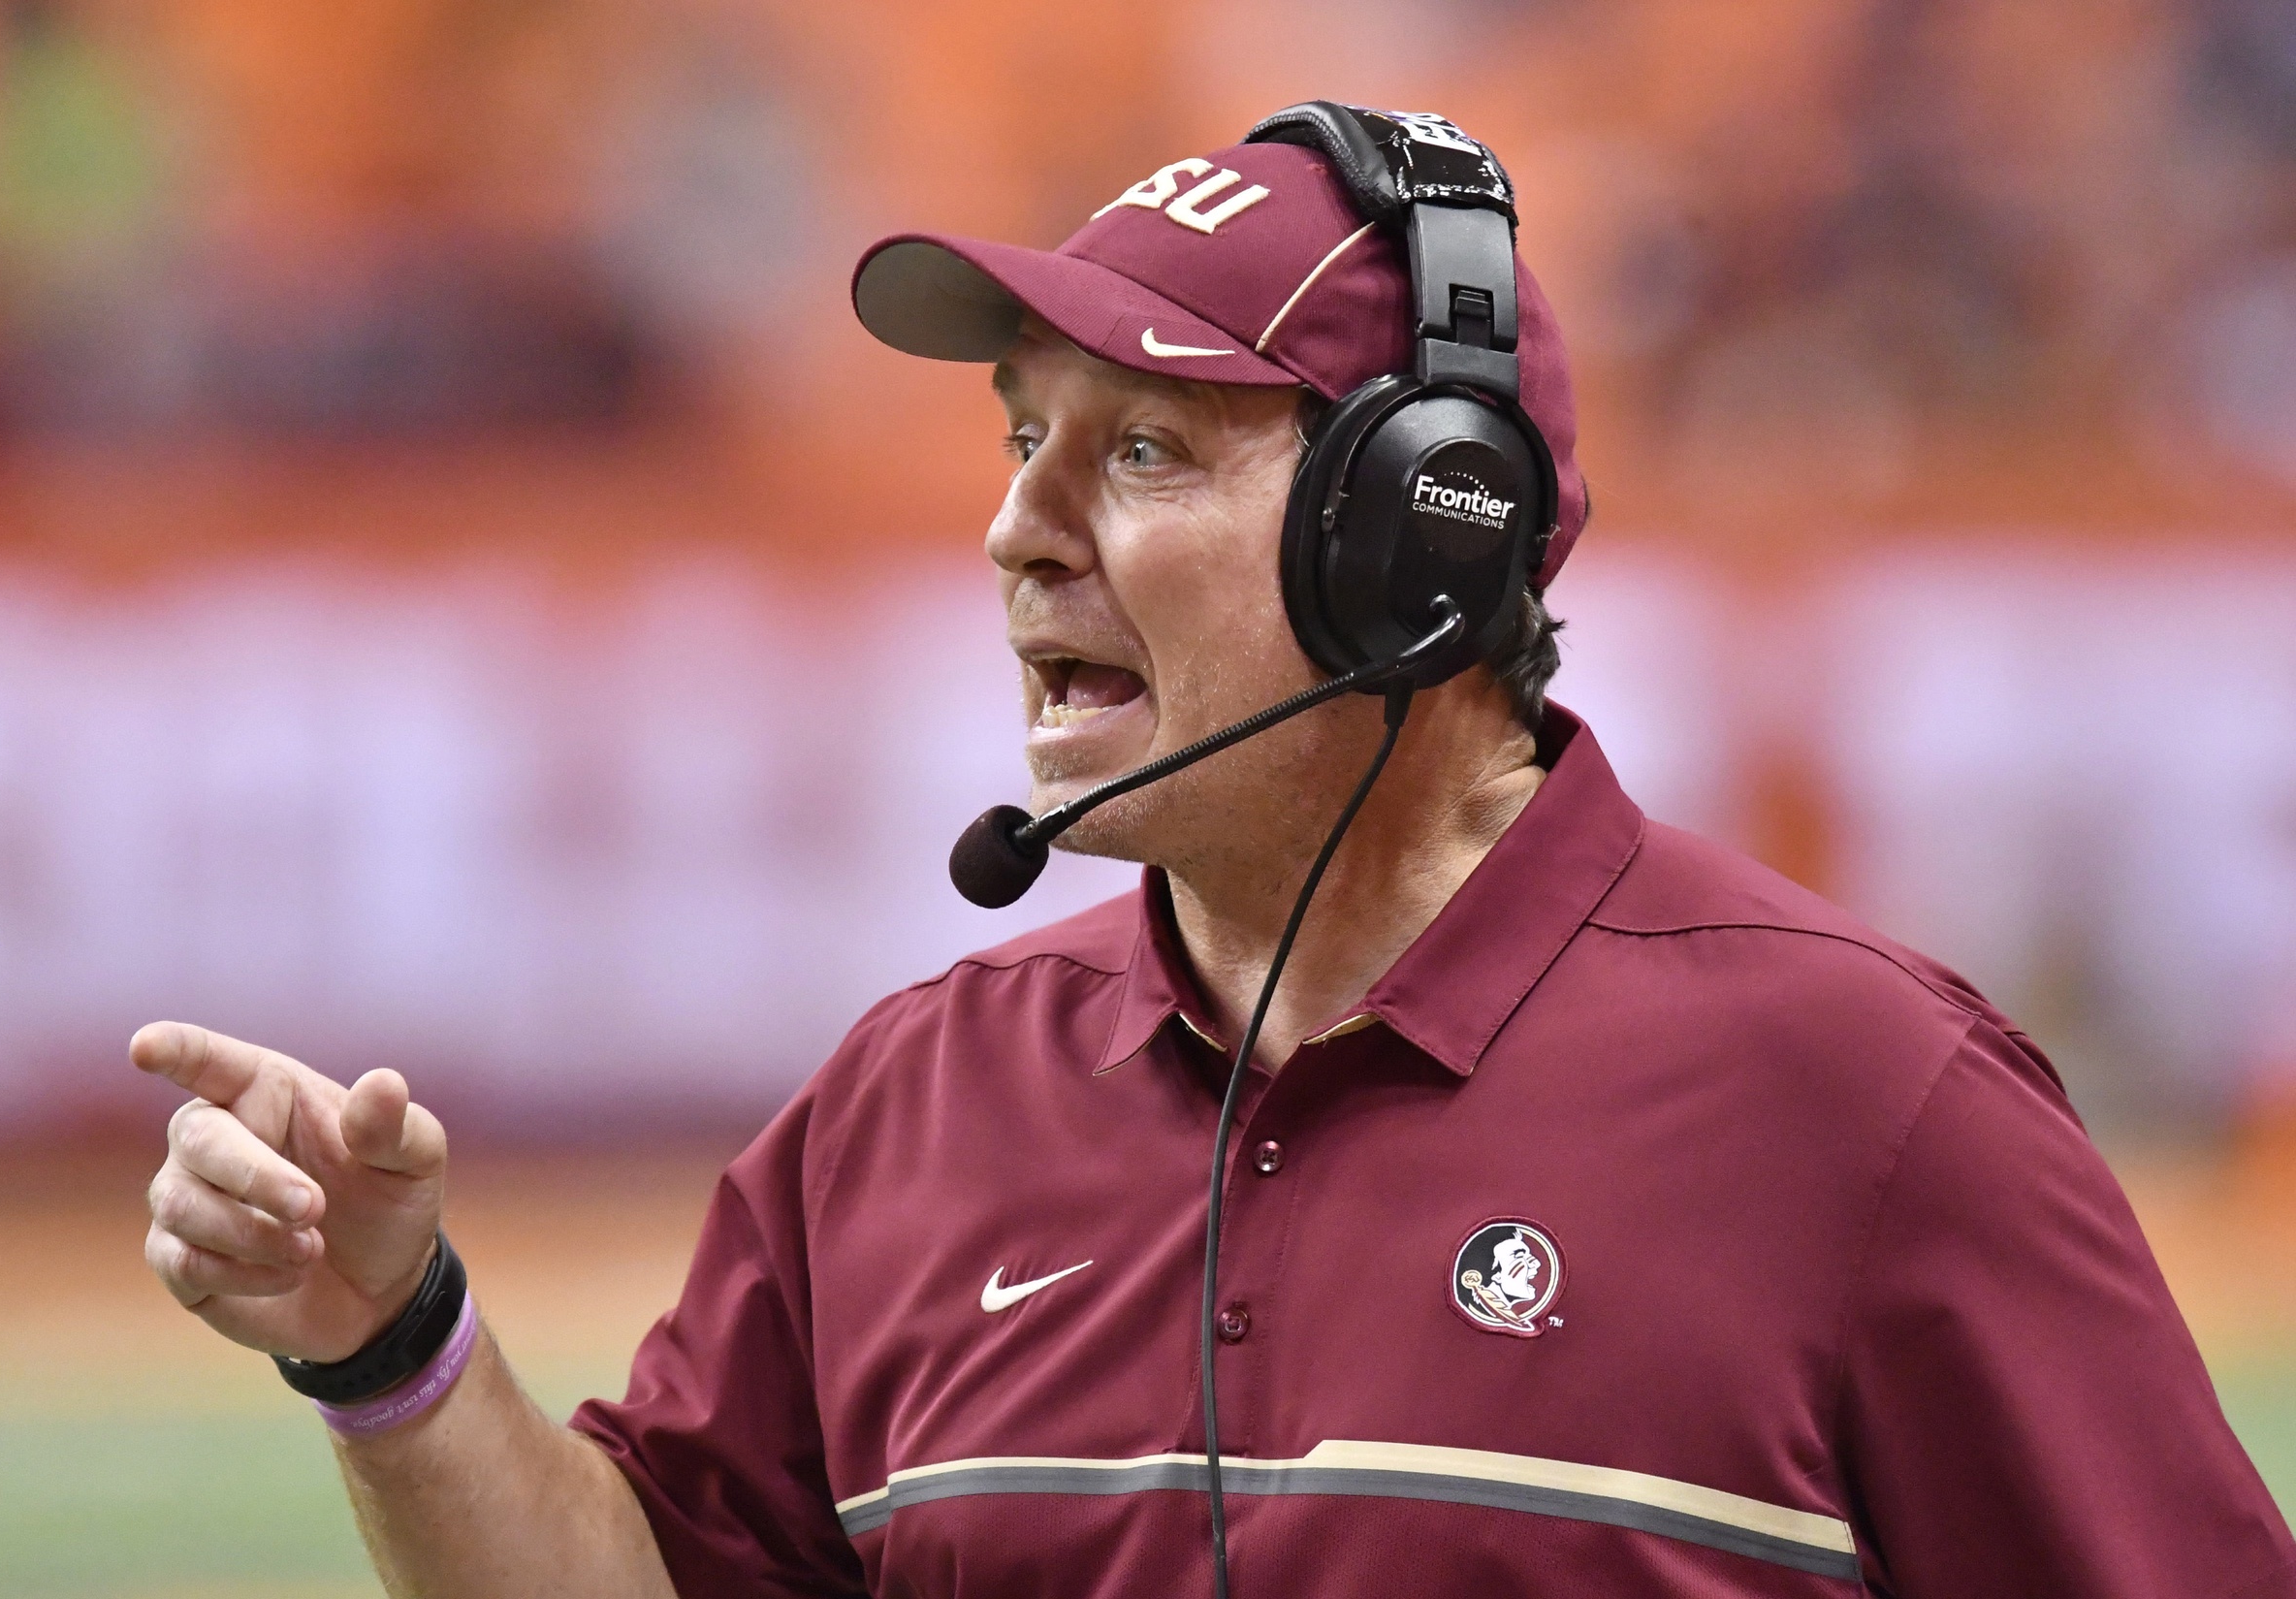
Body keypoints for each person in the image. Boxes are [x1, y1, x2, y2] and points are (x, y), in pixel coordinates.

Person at [132, 105, 2296, 1597]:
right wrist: (393, 1350)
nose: (1014, 533)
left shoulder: (1867, 1110)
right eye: (1017, 447)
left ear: (1416, 540)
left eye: (1141, 449)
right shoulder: (903, 1109)